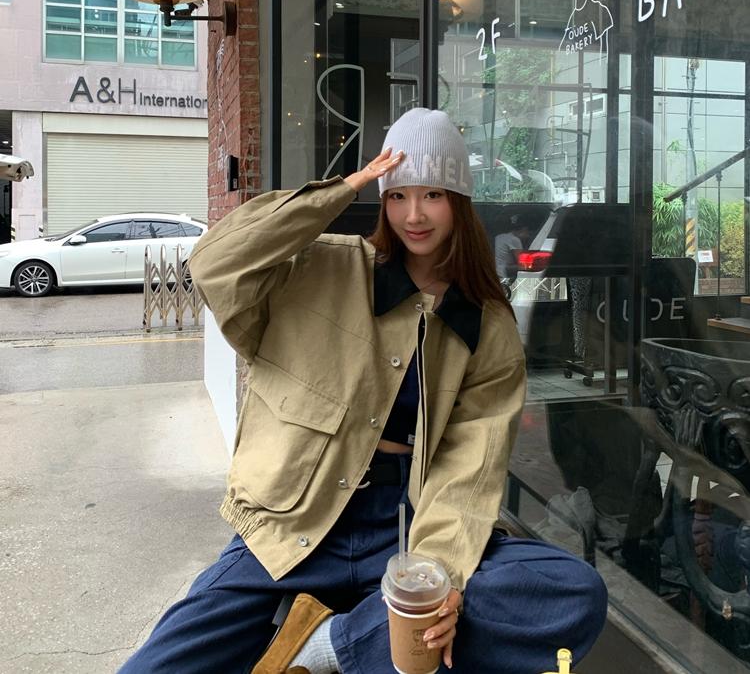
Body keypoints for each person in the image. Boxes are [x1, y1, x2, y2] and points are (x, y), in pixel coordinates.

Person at [119, 108, 607, 674]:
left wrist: (438, 576)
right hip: (296, 521)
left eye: (433, 194)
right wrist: (343, 189)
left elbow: (468, 464)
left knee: (571, 593)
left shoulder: (486, 322)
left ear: (459, 201)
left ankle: (329, 646)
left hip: (405, 524)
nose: (414, 215)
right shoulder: (322, 267)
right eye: (397, 195)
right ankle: (381, 646)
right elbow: (215, 262)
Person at [495, 215, 534, 283]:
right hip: (504, 275)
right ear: (523, 229)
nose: (528, 236)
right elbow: (523, 265)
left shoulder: (499, 237)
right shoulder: (515, 240)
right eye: (527, 232)